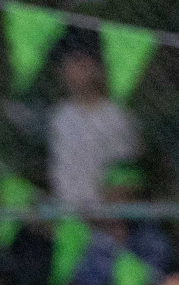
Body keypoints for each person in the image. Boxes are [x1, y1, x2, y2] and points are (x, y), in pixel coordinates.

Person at [48, 47, 139, 207]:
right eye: (69, 64)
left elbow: (126, 168)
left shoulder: (117, 114)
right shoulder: (60, 116)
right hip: (66, 211)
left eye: (81, 63)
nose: (75, 70)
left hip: (108, 213)